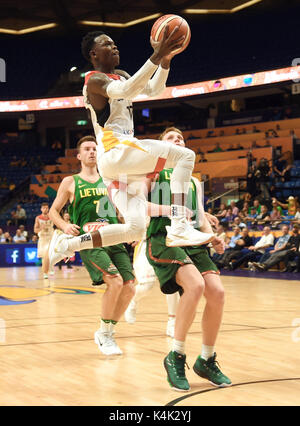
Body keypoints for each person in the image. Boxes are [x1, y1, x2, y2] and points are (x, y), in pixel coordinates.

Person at [48, 30, 214, 268]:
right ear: (94, 54)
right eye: (107, 44)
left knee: (135, 229)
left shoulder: (123, 75)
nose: (114, 47)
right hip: (116, 149)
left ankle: (67, 246)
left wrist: (165, 61)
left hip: (117, 164)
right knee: (185, 157)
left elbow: (154, 90)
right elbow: (123, 92)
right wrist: (156, 56)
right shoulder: (93, 80)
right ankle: (179, 225)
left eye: (115, 43)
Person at [141, 127, 231, 391]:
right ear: (162, 147)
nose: (177, 140)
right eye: (170, 138)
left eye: (180, 137)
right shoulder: (153, 173)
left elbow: (200, 217)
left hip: (191, 241)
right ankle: (176, 355)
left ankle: (207, 359)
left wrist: (212, 237)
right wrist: (169, 209)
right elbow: (136, 205)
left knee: (217, 292)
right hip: (163, 237)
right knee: (196, 285)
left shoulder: (192, 180)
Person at [49, 135, 135, 356]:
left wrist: (132, 228)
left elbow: (121, 208)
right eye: (87, 149)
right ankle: (106, 337)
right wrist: (65, 226)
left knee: (130, 286)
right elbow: (53, 211)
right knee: (114, 281)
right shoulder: (70, 182)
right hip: (89, 240)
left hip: (114, 236)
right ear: (79, 156)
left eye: (95, 149)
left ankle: (106, 331)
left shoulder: (109, 179)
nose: (92, 152)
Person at [33, 202, 54, 279]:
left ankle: (51, 268)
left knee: (51, 254)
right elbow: (35, 230)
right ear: (41, 209)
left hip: (51, 237)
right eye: (44, 208)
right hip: (43, 238)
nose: (45, 209)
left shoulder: (52, 216)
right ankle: (45, 272)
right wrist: (41, 228)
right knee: (43, 256)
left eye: (47, 208)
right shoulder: (38, 218)